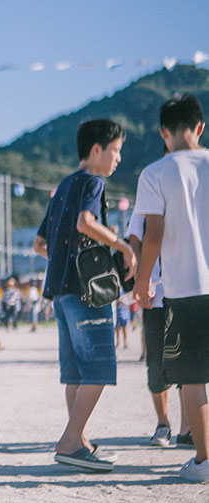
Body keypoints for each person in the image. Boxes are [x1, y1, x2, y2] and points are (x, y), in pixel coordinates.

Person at [33, 118, 135, 472]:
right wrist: (123, 246)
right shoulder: (93, 180)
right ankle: (71, 440)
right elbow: (86, 223)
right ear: (97, 150)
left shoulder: (63, 185)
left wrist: (65, 264)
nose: (118, 159)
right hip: (85, 293)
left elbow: (39, 243)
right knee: (99, 365)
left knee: (75, 371)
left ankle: (79, 438)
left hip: (59, 290)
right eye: (116, 151)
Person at [132, 94, 209, 482]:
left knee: (194, 376)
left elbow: (154, 234)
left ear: (164, 133)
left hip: (185, 285)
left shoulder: (155, 173)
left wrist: (143, 281)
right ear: (200, 127)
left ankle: (203, 460)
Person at [126, 212, 190, 447]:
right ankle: (163, 424)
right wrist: (140, 281)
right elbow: (134, 244)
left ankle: (187, 427)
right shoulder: (143, 208)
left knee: (186, 361)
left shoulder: (186, 199)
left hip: (185, 293)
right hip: (154, 296)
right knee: (156, 362)